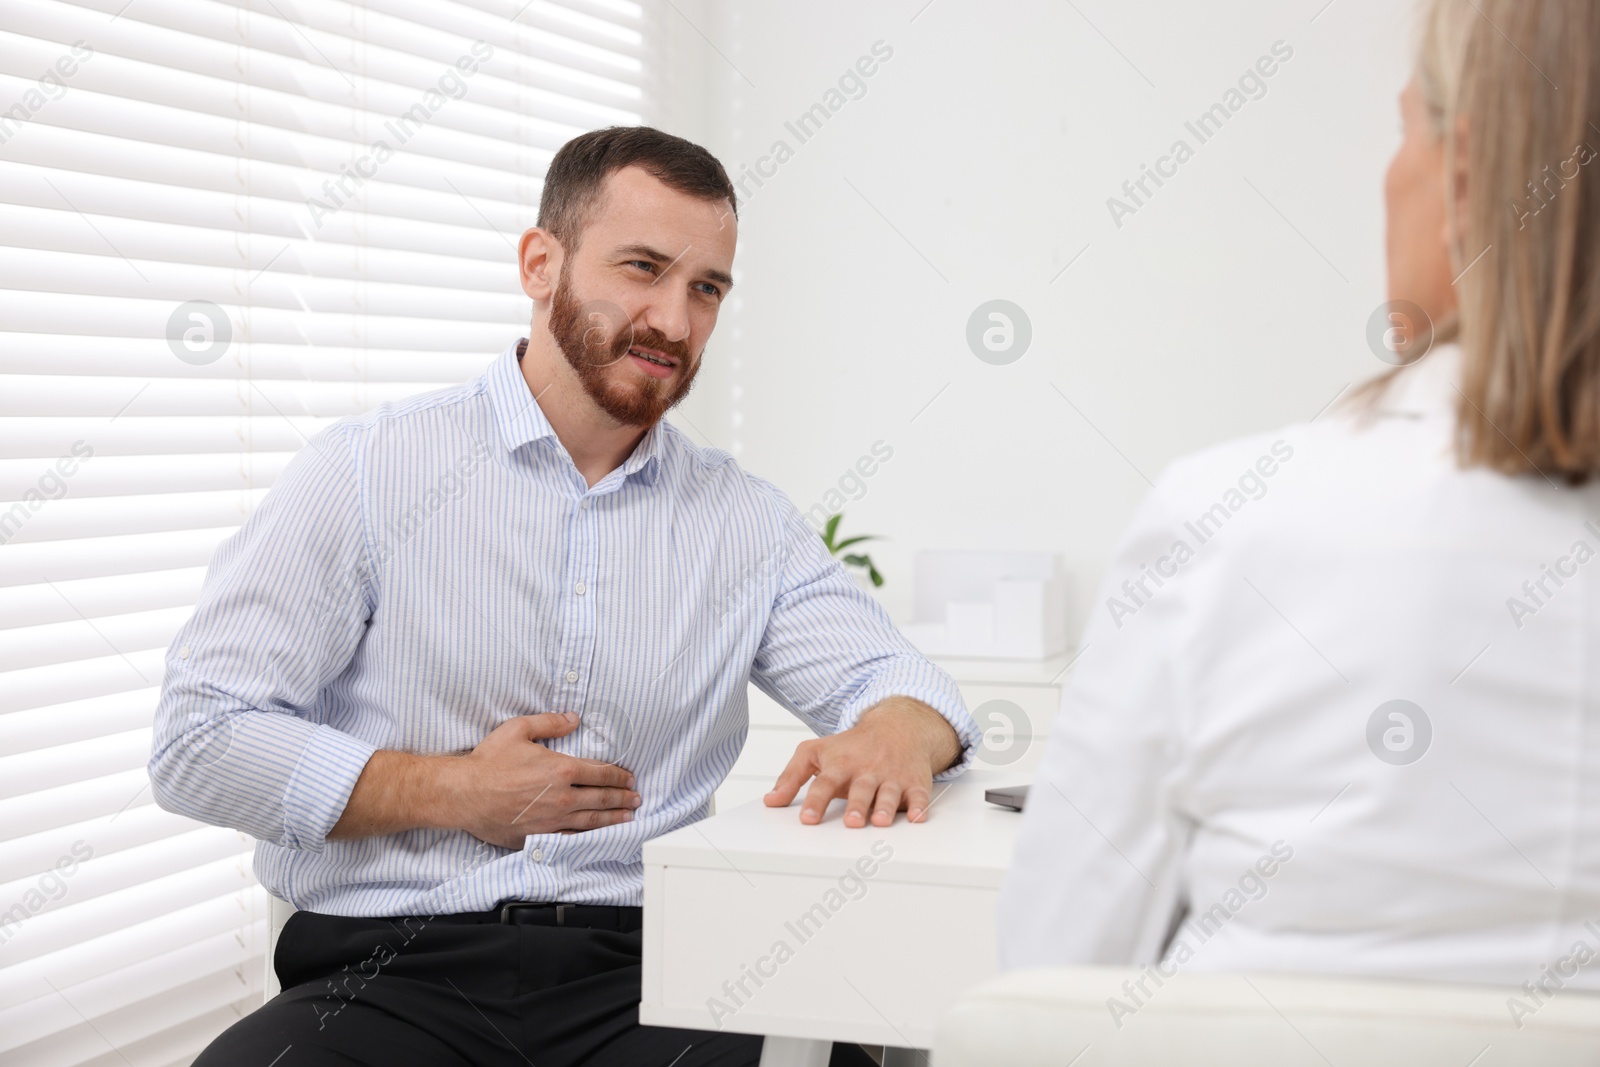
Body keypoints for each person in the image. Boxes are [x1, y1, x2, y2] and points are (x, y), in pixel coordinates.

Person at [151, 126, 980, 1067]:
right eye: (642, 267)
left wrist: (899, 730)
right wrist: (453, 789)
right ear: (539, 264)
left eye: (706, 288)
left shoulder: (744, 522)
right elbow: (197, 737)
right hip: (390, 977)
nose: (674, 319)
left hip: (655, 979)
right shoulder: (368, 473)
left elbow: (900, 681)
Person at [999, 0, 1600, 998]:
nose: (1388, 174)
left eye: (1406, 129)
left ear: (1461, 180)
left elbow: (1050, 980)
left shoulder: (1229, 521)